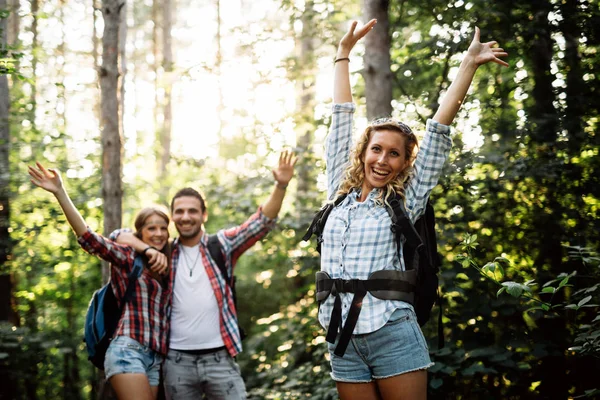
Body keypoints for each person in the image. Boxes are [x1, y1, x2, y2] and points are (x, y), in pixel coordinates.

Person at [316, 20, 509, 400]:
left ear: (405, 162)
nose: (383, 160)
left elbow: (439, 128)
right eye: (376, 149)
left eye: (394, 153)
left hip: (391, 329)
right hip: (341, 336)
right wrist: (343, 54)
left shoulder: (406, 198)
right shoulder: (338, 188)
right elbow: (340, 116)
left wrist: (469, 63)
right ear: (363, 151)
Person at [113, 150, 298, 400]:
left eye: (192, 211)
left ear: (204, 215)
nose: (185, 217)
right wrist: (146, 248)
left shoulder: (221, 245)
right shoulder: (162, 251)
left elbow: (261, 222)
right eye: (179, 212)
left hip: (220, 358)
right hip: (176, 361)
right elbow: (119, 236)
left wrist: (281, 185)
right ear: (172, 217)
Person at [28, 162, 173, 400]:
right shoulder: (128, 258)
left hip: (154, 358)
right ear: (141, 233)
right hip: (128, 351)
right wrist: (60, 192)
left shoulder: (167, 265)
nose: (158, 233)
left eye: (163, 228)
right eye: (151, 228)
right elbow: (89, 238)